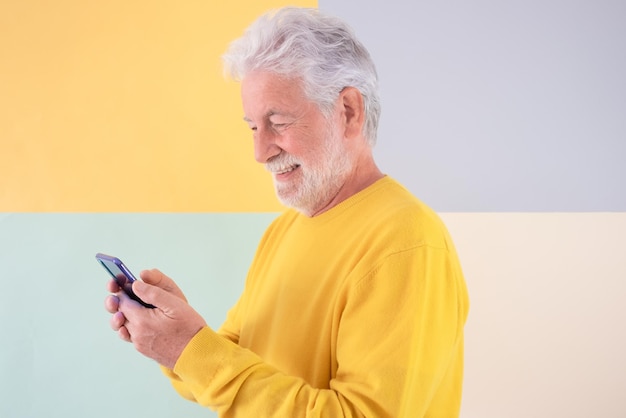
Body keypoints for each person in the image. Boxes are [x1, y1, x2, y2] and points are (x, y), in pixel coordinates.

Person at [105, 6, 469, 417]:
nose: (260, 153)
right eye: (253, 127)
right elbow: (229, 373)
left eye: (278, 121)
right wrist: (176, 338)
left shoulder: (406, 242)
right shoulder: (282, 231)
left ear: (348, 111)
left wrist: (191, 349)